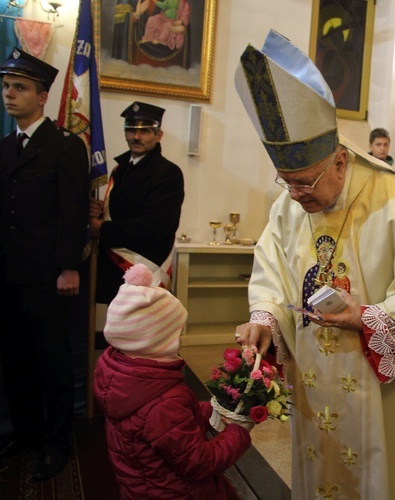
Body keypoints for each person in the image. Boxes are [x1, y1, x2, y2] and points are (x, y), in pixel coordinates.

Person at [233, 30, 395, 499]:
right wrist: (264, 318)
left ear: (341, 162)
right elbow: (270, 268)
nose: (295, 195)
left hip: (379, 391)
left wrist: (368, 318)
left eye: (305, 182)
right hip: (313, 382)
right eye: (285, 182)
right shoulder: (290, 206)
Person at [0, 48, 89, 480]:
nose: (8, 94)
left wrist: (69, 266)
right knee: (15, 360)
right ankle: (27, 433)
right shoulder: (4, 147)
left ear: (42, 96)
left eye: (19, 87)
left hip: (48, 276)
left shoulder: (65, 146)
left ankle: (56, 442)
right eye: (5, 86)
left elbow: (72, 211)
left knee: (52, 361)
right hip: (8, 274)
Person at [94, 264, 252, 499]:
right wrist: (238, 432)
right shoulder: (162, 400)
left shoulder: (121, 374)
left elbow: (170, 424)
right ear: (155, 340)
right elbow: (200, 462)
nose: (178, 340)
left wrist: (214, 409)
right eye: (175, 333)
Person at [90, 101, 184, 304]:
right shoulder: (120, 169)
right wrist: (99, 211)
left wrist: (102, 229)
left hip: (144, 266)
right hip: (114, 266)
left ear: (158, 135)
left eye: (145, 131)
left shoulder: (167, 172)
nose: (136, 137)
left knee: (142, 331)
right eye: (131, 130)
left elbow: (154, 227)